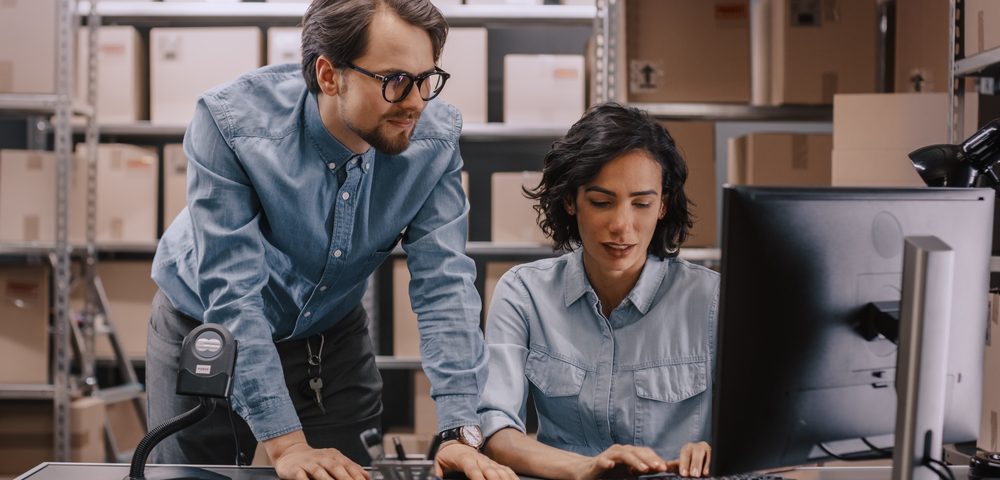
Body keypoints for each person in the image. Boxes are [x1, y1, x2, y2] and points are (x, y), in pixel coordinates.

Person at [147, 2, 516, 480]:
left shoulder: (434, 141)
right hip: (207, 328)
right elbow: (232, 297)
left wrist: (459, 429)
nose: (417, 102)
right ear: (328, 74)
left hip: (329, 336)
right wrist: (286, 445)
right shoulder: (233, 126)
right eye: (396, 80)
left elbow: (444, 286)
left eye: (427, 79)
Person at [477, 103, 719, 479]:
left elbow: (760, 427)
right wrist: (586, 468)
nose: (623, 226)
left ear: (663, 206)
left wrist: (718, 448)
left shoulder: (712, 302)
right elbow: (497, 431)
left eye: (642, 203)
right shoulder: (524, 293)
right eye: (602, 202)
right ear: (571, 201)